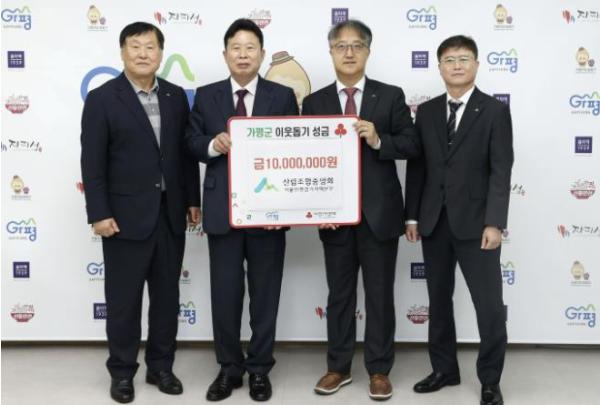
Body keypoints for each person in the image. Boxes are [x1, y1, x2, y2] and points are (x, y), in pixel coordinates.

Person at [80, 22, 200, 403]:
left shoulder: (176, 96)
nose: (143, 53)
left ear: (161, 54)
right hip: (122, 219)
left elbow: (184, 155)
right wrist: (98, 213)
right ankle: (121, 373)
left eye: (150, 46)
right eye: (135, 46)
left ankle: (161, 368)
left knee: (166, 300)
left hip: (170, 215)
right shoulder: (102, 99)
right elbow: (92, 163)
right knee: (123, 303)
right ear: (122, 52)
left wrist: (193, 200)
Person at [302, 19, 420, 401]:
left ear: (368, 51)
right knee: (339, 296)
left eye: (357, 46)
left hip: (379, 215)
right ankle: (338, 367)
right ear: (331, 52)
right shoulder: (314, 102)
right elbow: (304, 161)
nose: (349, 52)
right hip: (334, 217)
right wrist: (314, 209)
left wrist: (379, 139)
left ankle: (379, 370)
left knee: (380, 296)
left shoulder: (390, 95)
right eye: (341, 46)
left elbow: (411, 144)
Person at [185, 18, 298, 402]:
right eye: (236, 48)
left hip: (270, 212)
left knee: (265, 296)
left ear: (262, 54)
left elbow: (295, 151)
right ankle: (229, 369)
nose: (243, 54)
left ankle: (260, 369)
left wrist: (287, 207)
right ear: (225, 54)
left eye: (251, 48)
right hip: (223, 211)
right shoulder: (207, 95)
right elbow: (190, 141)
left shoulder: (282, 96)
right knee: (226, 296)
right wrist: (213, 145)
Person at [405, 35, 514, 405]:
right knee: (438, 301)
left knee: (489, 306)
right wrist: (412, 216)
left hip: (478, 225)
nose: (456, 65)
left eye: (464, 58)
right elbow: (418, 168)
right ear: (439, 67)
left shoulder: (494, 111)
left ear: (476, 65)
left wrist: (495, 223)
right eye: (449, 59)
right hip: (434, 221)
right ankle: (444, 370)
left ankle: (490, 380)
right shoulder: (427, 112)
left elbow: (501, 170)